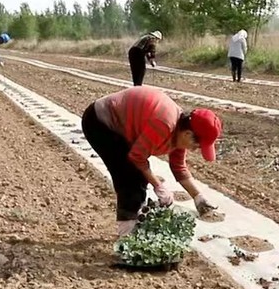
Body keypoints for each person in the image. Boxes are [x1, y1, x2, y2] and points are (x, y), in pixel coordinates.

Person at [80, 86, 222, 237]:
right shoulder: (164, 124)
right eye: (197, 145)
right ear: (188, 134)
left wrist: (198, 197)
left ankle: (133, 225)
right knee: (130, 179)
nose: (194, 150)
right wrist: (158, 185)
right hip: (100, 122)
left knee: (138, 178)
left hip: (122, 126)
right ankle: (127, 236)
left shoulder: (180, 131)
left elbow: (179, 167)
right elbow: (137, 157)